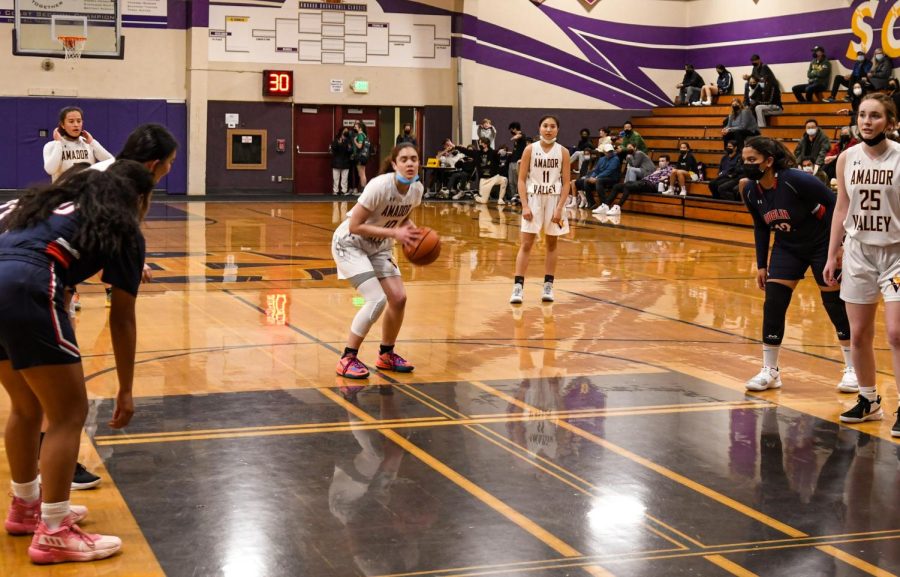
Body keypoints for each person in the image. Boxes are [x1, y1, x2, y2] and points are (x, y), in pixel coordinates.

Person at [0, 159, 160, 564]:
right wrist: (124, 389)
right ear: (139, 198)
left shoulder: (31, 205)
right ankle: (53, 531)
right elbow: (121, 318)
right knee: (69, 414)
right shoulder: (122, 224)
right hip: (25, 283)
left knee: (25, 404)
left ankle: (26, 508)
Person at [740, 136, 856, 394]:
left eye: (752, 160)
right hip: (787, 247)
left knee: (834, 304)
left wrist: (838, 246)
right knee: (773, 302)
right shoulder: (750, 189)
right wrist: (761, 264)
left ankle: (852, 369)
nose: (746, 164)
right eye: (744, 160)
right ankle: (770, 371)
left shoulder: (796, 179)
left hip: (821, 244)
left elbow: (837, 204)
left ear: (768, 161)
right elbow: (760, 226)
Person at [824, 93, 900, 434]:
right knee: (858, 335)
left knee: (897, 334)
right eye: (863, 115)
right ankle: (869, 400)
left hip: (896, 254)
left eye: (875, 116)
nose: (867, 121)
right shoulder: (846, 158)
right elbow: (841, 207)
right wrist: (832, 252)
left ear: (891, 122)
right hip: (858, 252)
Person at [332, 143, 423, 381]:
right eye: (404, 159)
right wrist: (395, 235)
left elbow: (401, 218)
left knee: (399, 298)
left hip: (377, 246)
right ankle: (347, 357)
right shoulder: (379, 186)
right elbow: (355, 225)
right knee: (376, 298)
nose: (410, 163)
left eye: (414, 159)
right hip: (350, 244)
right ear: (394, 164)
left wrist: (414, 234)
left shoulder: (417, 190)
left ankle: (386, 354)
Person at [510, 115, 570, 305]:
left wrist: (560, 208)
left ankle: (548, 286)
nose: (548, 129)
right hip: (534, 199)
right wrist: (525, 205)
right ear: (539, 128)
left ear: (557, 130)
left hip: (554, 200)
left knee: (552, 245)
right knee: (526, 244)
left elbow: (567, 182)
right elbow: (521, 180)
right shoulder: (530, 149)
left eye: (552, 126)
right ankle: (518, 288)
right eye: (545, 125)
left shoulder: (563, 152)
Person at [42, 107, 113, 183]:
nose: (76, 125)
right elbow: (50, 170)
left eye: (79, 121)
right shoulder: (51, 146)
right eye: (71, 121)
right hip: (63, 192)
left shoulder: (89, 143)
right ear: (63, 125)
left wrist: (93, 142)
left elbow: (112, 163)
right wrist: (58, 143)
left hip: (85, 192)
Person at [588, 143, 621, 214]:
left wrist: (596, 178)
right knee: (586, 181)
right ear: (604, 152)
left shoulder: (615, 159)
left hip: (612, 179)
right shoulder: (601, 159)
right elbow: (596, 170)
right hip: (602, 177)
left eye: (611, 151)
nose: (609, 153)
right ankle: (592, 203)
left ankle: (604, 204)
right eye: (608, 152)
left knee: (599, 181)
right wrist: (592, 176)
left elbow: (609, 171)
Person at [507, 122, 526, 204]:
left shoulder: (522, 135)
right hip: (512, 161)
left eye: (512, 129)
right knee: (511, 181)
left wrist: (515, 136)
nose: (511, 131)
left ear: (515, 128)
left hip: (517, 162)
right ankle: (513, 197)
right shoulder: (516, 140)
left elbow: (519, 136)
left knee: (516, 181)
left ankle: (518, 197)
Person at [331, 127, 354, 195]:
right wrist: (339, 144)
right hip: (336, 161)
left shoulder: (349, 140)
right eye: (345, 131)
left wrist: (349, 148)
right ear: (341, 132)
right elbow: (333, 149)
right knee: (336, 178)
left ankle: (344, 190)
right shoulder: (336, 139)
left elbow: (350, 151)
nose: (346, 132)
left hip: (346, 161)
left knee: (344, 178)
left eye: (347, 131)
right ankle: (335, 191)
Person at [352, 121, 371, 195]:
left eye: (356, 127)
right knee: (363, 173)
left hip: (360, 156)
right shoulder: (365, 135)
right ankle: (363, 190)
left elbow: (359, 146)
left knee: (362, 174)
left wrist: (354, 141)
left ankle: (363, 190)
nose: (355, 128)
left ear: (360, 128)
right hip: (365, 156)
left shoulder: (360, 135)